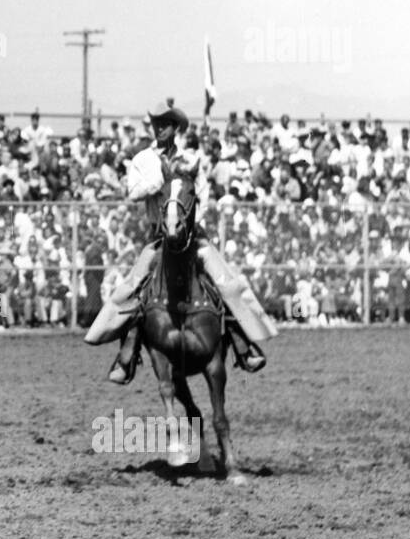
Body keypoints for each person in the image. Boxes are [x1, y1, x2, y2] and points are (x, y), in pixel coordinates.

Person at [84, 101, 278, 384]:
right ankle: (127, 354)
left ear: (175, 128)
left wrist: (187, 195)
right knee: (129, 288)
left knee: (228, 282)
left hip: (190, 234)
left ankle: (242, 342)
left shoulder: (190, 158)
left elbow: (204, 193)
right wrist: (162, 179)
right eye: (156, 124)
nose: (159, 128)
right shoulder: (142, 160)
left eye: (165, 123)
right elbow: (133, 192)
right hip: (158, 235)